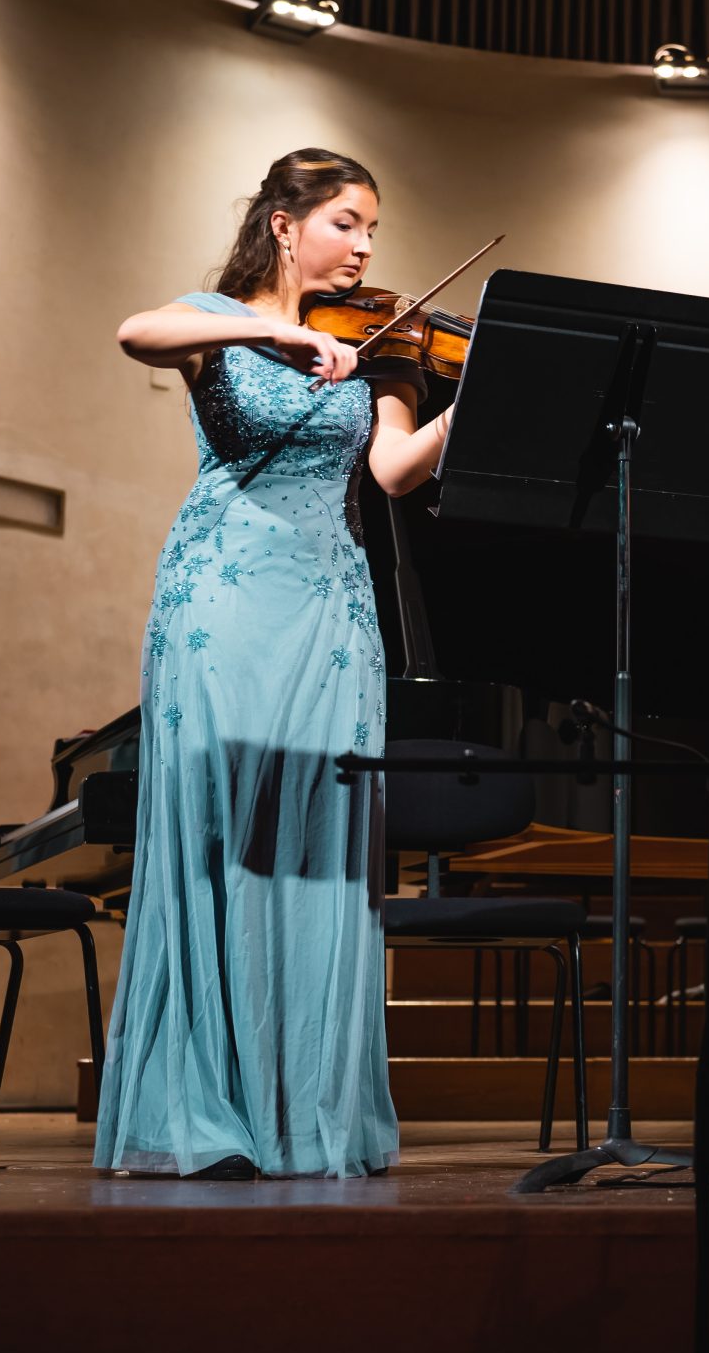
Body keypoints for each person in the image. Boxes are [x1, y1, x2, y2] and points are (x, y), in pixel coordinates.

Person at [95, 148, 451, 1178]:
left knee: (323, 852)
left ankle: (301, 1112)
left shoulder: (378, 347)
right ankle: (206, 1108)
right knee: (220, 838)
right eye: (348, 222)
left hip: (330, 607)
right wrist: (269, 328)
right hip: (223, 596)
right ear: (286, 224)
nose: (367, 246)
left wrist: (474, 407)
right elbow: (136, 333)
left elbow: (388, 472)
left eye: (373, 227)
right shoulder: (216, 322)